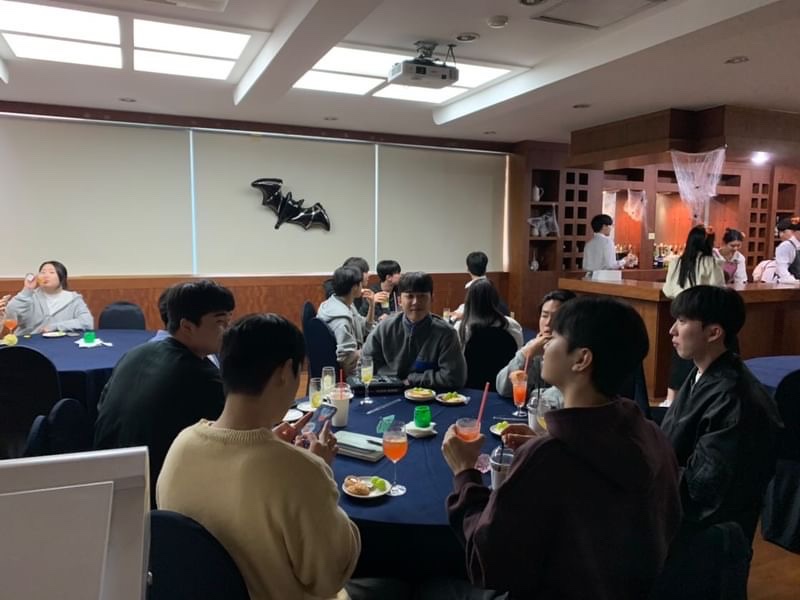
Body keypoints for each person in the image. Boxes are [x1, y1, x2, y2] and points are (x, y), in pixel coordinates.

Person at [442, 297, 681, 600]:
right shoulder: (652, 436)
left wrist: (465, 473)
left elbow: (486, 564)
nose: (545, 345)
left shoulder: (549, 458)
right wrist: (541, 443)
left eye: (554, 337)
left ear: (581, 359)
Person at [157, 314, 360, 600]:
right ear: (284, 372)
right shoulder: (301, 472)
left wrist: (274, 448)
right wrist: (320, 470)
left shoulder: (182, 444)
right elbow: (329, 577)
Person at [94, 280, 235, 504]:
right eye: (220, 323)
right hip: (158, 495)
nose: (228, 331)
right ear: (187, 326)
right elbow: (233, 437)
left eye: (229, 321)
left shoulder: (135, 353)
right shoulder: (201, 374)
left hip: (105, 481)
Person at [660, 285, 782, 542]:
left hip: (706, 533)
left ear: (714, 332)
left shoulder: (733, 399)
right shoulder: (702, 372)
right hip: (675, 507)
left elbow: (703, 488)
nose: (672, 330)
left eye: (682, 321)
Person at [363, 272, 467, 389]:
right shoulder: (385, 328)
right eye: (410, 296)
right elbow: (365, 363)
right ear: (399, 301)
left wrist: (411, 380)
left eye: (422, 296)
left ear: (432, 299)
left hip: (430, 396)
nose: (416, 302)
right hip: (388, 392)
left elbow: (454, 377)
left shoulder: (446, 333)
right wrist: (392, 381)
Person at [662, 225, 726, 401]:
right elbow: (718, 289)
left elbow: (668, 290)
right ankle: (696, 397)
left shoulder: (677, 262)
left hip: (681, 313)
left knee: (679, 356)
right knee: (701, 355)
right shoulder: (710, 262)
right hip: (701, 315)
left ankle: (671, 399)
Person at [495, 289, 576, 398]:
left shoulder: (576, 353)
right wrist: (526, 354)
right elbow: (503, 388)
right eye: (544, 315)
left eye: (556, 317)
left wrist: (534, 396)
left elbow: (568, 395)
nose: (548, 322)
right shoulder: (536, 346)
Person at [317, 266, 384, 375]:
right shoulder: (341, 320)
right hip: (350, 373)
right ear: (354, 288)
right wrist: (370, 348)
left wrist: (371, 305)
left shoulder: (342, 303)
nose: (363, 286)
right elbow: (348, 362)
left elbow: (366, 328)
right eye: (360, 283)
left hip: (355, 358)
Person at [5, 260, 94, 335]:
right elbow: (11, 313)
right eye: (42, 272)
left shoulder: (73, 299)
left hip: (61, 342)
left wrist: (55, 326)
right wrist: (27, 290)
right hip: (30, 342)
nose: (45, 275)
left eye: (51, 272)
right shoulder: (29, 296)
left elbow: (87, 322)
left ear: (62, 278)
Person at [455, 279, 523, 350]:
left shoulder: (461, 328)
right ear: (496, 299)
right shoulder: (512, 325)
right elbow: (518, 352)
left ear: (470, 301)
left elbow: (457, 355)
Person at [452, 251, 509, 321]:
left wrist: (463, 316)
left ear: (468, 269)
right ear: (485, 269)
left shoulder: (471, 287)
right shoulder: (491, 285)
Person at [773, 216, 800, 284]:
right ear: (795, 232)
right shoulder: (787, 245)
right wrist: (795, 282)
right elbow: (782, 271)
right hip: (790, 286)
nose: (781, 235)